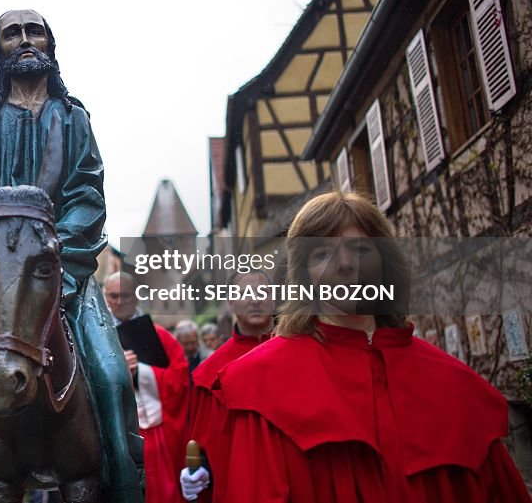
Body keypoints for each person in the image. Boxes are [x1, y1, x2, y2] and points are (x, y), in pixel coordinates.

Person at [0, 10, 143, 502]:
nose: (26, 40)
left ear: (51, 45)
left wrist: (56, 275)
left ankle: (128, 490)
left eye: (36, 32)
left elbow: (87, 199)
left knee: (114, 381)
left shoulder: (73, 118)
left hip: (65, 275)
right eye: (13, 33)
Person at [217, 192, 531, 502]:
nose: (344, 264)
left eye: (360, 249)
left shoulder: (456, 384)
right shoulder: (262, 386)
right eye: (322, 253)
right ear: (303, 276)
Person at [178, 271, 274, 502]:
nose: (255, 299)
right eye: (245, 293)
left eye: (262, 292)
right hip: (238, 482)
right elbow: (204, 442)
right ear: (230, 303)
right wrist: (200, 471)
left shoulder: (299, 355)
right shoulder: (209, 373)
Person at [105, 272, 190, 503]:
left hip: (155, 433)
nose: (119, 302)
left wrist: (140, 372)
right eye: (113, 296)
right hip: (113, 432)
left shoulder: (162, 337)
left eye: (125, 295)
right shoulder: (97, 338)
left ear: (136, 297)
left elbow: (180, 381)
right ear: (105, 297)